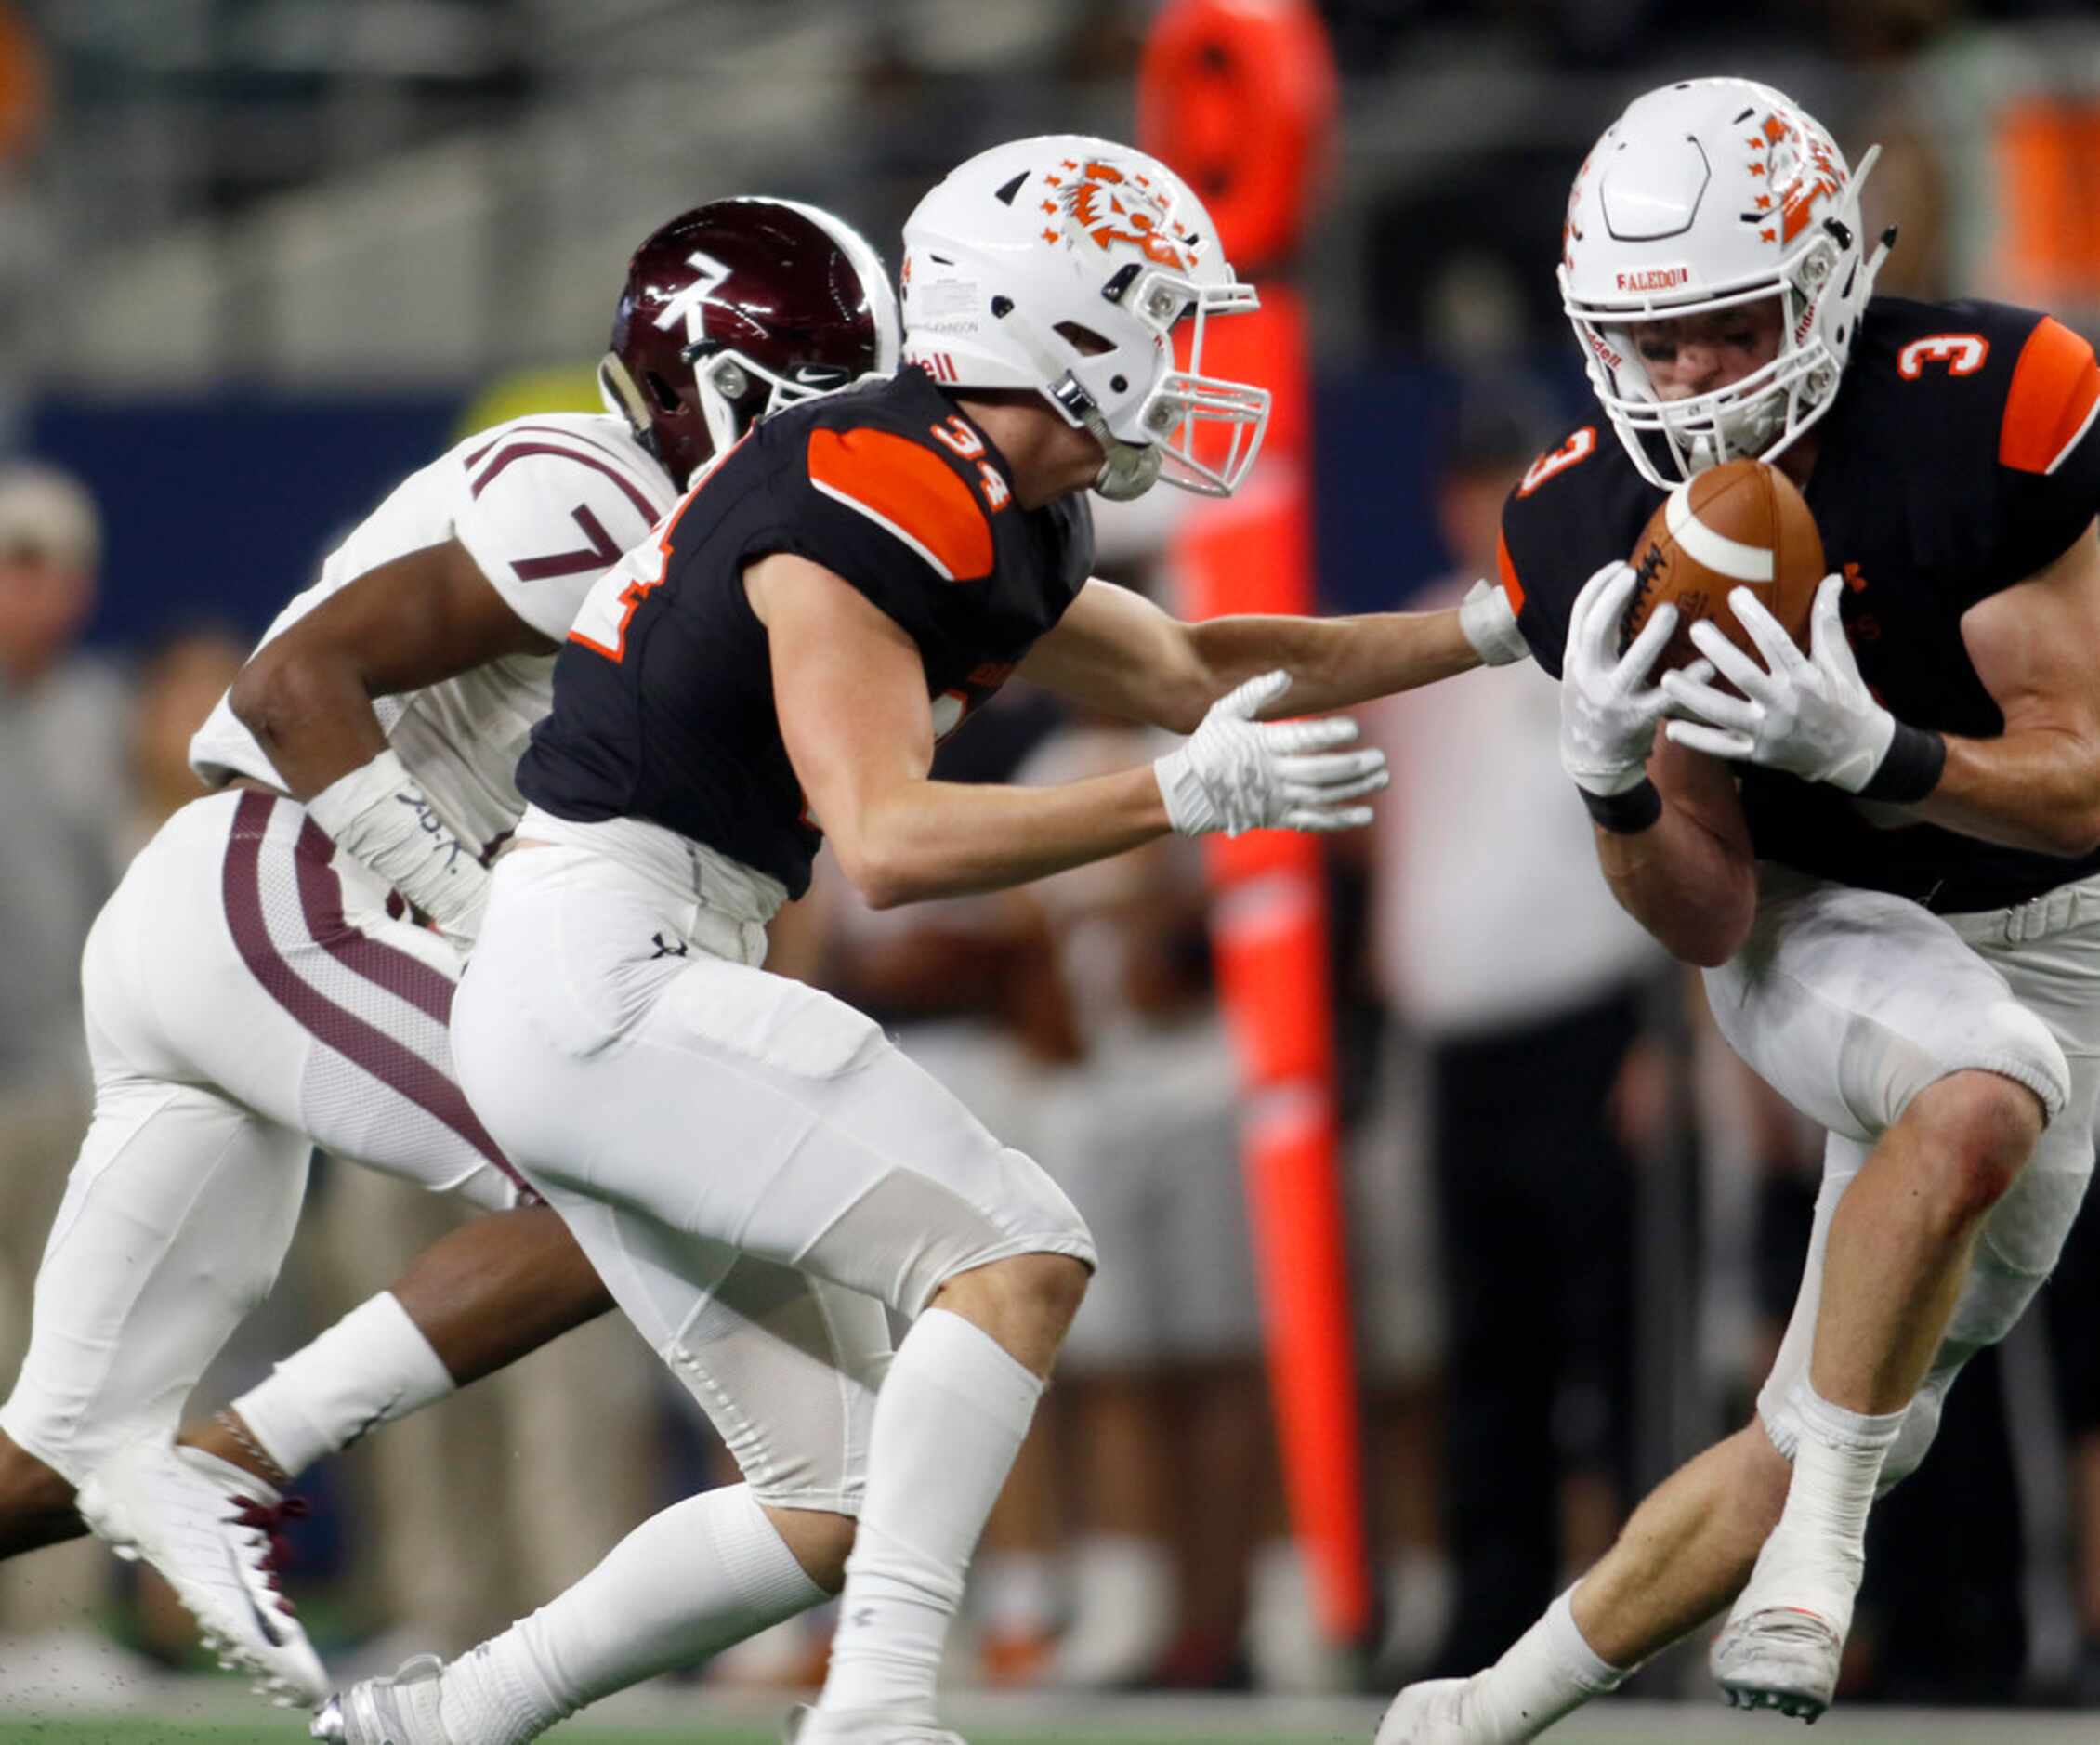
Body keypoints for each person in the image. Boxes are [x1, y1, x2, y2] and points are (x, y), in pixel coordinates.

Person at [314, 131, 1530, 1745]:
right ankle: (877, 1710)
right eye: (1158, 320)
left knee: (825, 1498)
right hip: (606, 961)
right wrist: (1181, 801)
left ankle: (434, 1721)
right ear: (1060, 329)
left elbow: (1197, 668)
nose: (1183, 365)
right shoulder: (876, 477)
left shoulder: (986, 499)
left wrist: (1502, 625)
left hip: (617, 972)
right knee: (1017, 1250)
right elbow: (887, 842)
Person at [0, 196, 900, 1706]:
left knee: (52, 1456)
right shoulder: (594, 495)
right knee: (621, 1154)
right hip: (282, 893)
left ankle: (215, 1468)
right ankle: (241, 1463)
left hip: (252, 917)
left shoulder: (700, 540)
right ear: (713, 388)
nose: (844, 456)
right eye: (819, 411)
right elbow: (293, 690)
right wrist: (491, 928)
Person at [1379, 75, 2100, 1741]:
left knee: (1834, 1410)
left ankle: (1484, 1709)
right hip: (1817, 927)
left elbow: (2079, 784)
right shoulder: (1583, 516)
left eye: (1727, 321)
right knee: (1975, 1081)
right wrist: (1616, 783)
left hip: (2064, 927)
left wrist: (1888, 750)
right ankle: (1822, 1564)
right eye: (1653, 337)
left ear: (1831, 268)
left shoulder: (1986, 402)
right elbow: (1700, 919)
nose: (1692, 377)